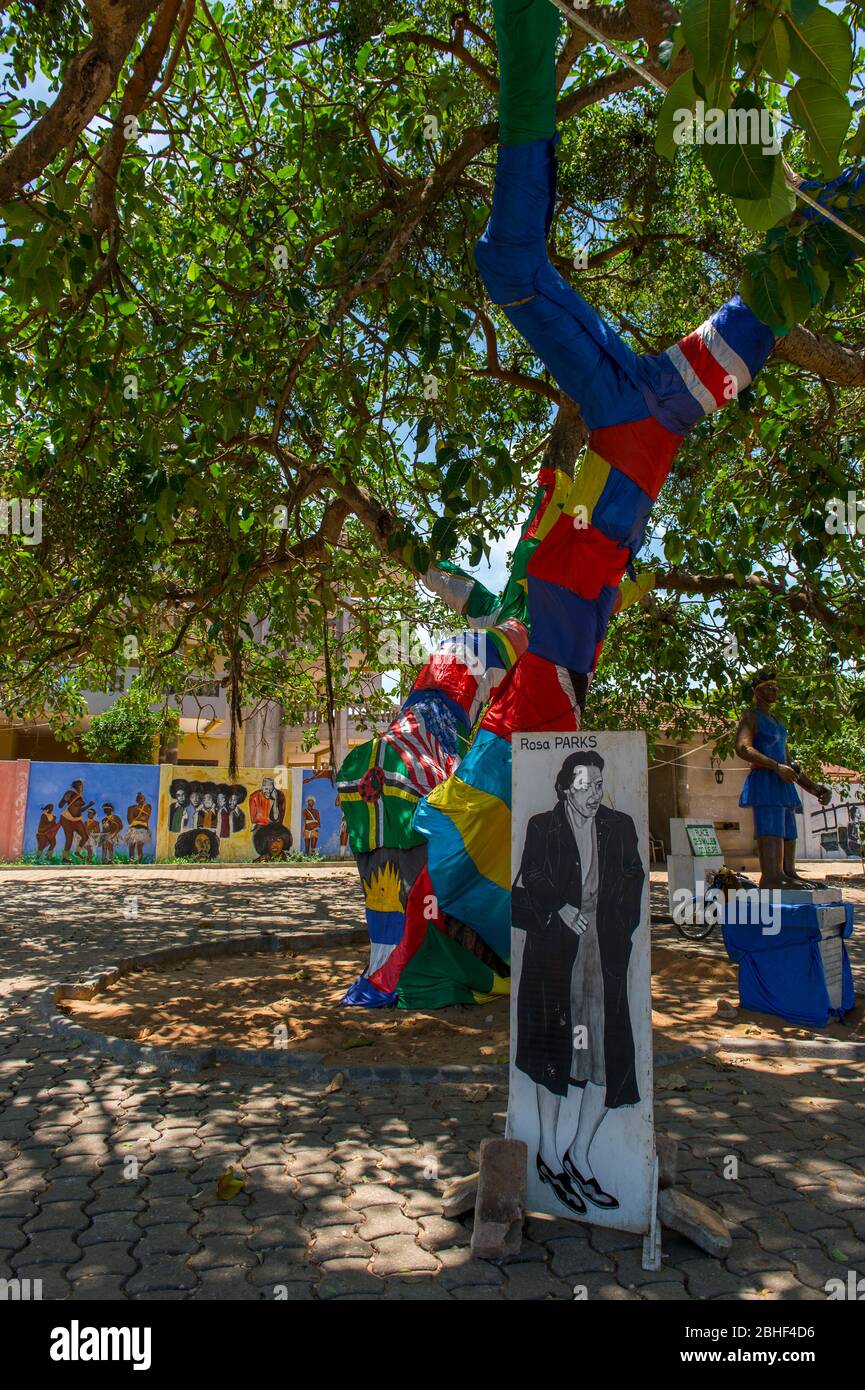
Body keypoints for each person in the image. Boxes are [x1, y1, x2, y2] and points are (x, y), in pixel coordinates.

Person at [513, 751, 643, 1216]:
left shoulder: (620, 826)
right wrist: (560, 909)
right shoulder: (541, 826)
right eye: (586, 785)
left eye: (599, 784)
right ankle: (548, 1153)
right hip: (554, 953)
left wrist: (613, 924)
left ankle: (579, 1153)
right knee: (553, 1050)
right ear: (567, 786)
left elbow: (634, 879)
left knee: (605, 1055)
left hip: (601, 954)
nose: (595, 794)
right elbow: (532, 875)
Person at [736, 670, 832, 889]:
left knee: (788, 830)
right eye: (769, 686)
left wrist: (814, 788)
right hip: (766, 781)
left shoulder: (777, 722)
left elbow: (788, 761)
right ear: (757, 691)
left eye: (776, 686)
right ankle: (772, 876)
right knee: (771, 828)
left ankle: (788, 873)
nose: (775, 690)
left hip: (783, 783)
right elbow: (743, 747)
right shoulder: (751, 716)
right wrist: (775, 766)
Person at [59, 780, 95, 862]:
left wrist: (89, 805)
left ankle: (77, 851)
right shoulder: (70, 792)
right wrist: (65, 799)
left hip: (77, 819)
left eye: (81, 785)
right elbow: (60, 806)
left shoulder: (80, 795)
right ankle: (65, 858)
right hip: (66, 818)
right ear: (74, 786)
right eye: (79, 785)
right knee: (69, 838)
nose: (80, 787)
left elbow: (79, 810)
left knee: (85, 836)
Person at [124, 790, 152, 863]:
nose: (141, 800)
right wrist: (139, 818)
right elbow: (130, 821)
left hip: (143, 829)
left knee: (139, 847)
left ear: (144, 799)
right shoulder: (131, 808)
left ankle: (139, 863)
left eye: (142, 798)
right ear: (136, 800)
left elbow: (146, 818)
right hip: (133, 829)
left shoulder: (148, 807)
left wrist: (136, 819)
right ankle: (131, 862)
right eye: (139, 798)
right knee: (131, 846)